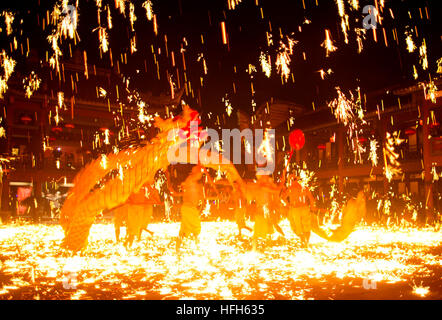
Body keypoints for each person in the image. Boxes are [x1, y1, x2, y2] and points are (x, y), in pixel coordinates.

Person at [171, 165, 204, 253]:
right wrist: (200, 167)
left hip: (188, 208)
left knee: (184, 231)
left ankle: (177, 249)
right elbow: (195, 176)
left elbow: (199, 196)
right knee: (196, 228)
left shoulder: (192, 183)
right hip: (189, 208)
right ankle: (198, 248)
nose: (201, 174)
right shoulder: (190, 180)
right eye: (200, 173)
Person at [282, 174, 317, 248]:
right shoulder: (304, 187)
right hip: (304, 208)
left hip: (295, 209)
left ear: (290, 180)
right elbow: (311, 199)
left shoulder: (290, 188)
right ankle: (306, 242)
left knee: (297, 228)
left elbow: (283, 198)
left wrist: (288, 204)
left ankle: (302, 241)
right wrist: (312, 207)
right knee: (306, 227)